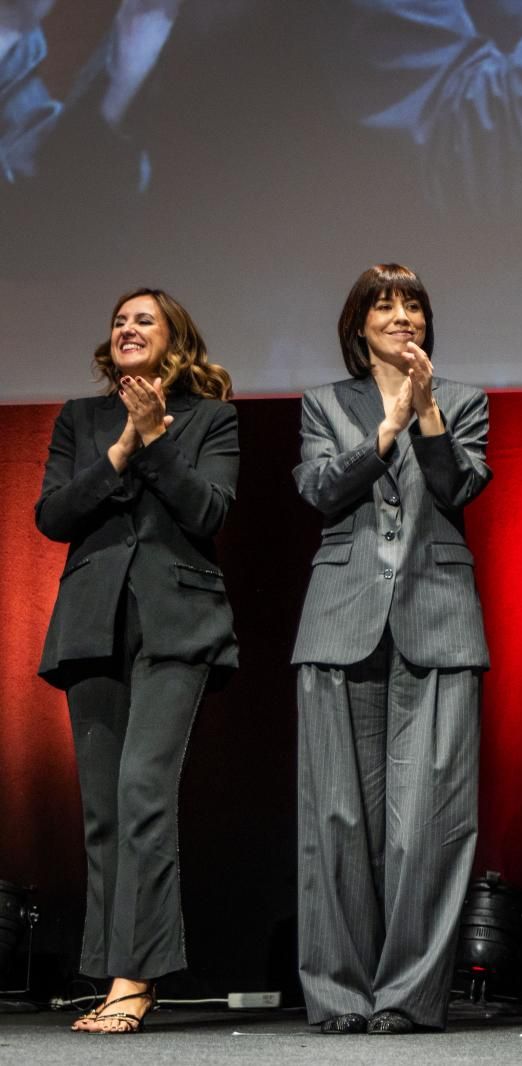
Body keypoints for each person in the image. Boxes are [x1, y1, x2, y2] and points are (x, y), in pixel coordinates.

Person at [292, 263, 492, 1035]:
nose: (402, 316)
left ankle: (408, 996)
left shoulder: (464, 400)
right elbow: (317, 489)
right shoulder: (324, 403)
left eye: (413, 305)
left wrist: (427, 411)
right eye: (385, 306)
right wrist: (383, 431)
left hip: (438, 617)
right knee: (336, 821)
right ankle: (340, 996)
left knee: (429, 826)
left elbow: (458, 490)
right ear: (359, 325)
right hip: (341, 618)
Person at [35, 287, 237, 1033]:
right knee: (104, 812)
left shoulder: (213, 419)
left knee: (145, 791)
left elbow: (210, 511)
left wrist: (155, 440)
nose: (125, 328)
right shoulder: (80, 419)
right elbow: (53, 516)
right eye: (118, 320)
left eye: (142, 320)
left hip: (178, 623)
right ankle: (110, 969)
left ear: (174, 339)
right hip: (91, 623)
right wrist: (121, 446)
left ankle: (134, 978)